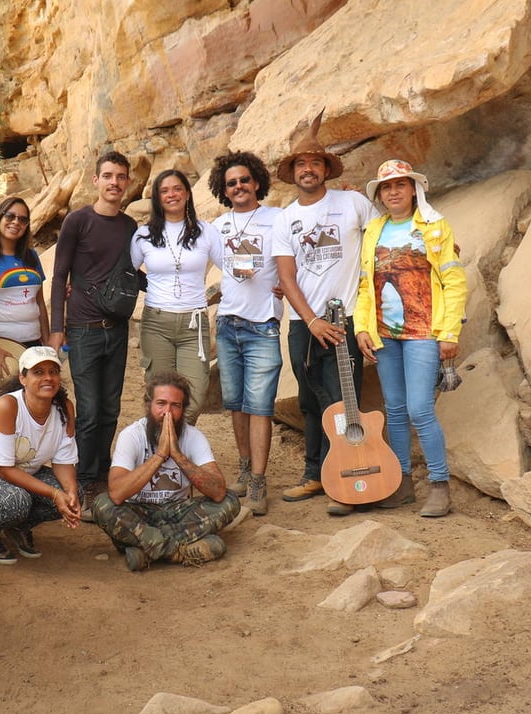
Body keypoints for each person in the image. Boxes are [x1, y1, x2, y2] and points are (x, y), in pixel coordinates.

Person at [271, 108, 379, 516]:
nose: (309, 169)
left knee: (341, 399)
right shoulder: (286, 219)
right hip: (304, 323)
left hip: (347, 319)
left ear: (326, 169)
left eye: (316, 162)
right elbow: (288, 277)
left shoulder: (352, 202)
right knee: (309, 400)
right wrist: (311, 320)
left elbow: (381, 241)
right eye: (301, 164)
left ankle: (350, 475)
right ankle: (315, 472)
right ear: (293, 172)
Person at [355, 159, 467, 518]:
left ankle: (439, 485)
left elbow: (454, 280)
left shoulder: (434, 227)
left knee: (420, 408)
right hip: (386, 334)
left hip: (424, 332)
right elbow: (364, 285)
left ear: (413, 189)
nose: (394, 192)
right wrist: (362, 327)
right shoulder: (374, 230)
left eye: (400, 185)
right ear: (381, 194)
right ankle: (401, 483)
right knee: (396, 411)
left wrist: (449, 332)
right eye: (387, 187)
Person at [48, 151, 138, 494]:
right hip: (83, 331)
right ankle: (84, 481)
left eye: (120, 176)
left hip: (116, 329)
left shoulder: (130, 227)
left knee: (111, 408)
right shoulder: (78, 221)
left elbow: (130, 276)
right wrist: (58, 329)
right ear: (96, 181)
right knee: (87, 410)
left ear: (127, 182)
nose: (114, 182)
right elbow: (59, 277)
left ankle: (102, 473)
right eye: (108, 176)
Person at [90, 371, 241, 571]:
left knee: (230, 500)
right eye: (161, 404)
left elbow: (218, 491)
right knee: (102, 505)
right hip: (140, 513)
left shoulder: (193, 437)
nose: (167, 412)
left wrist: (177, 455)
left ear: (184, 409)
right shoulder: (131, 436)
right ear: (149, 405)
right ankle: (178, 552)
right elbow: (117, 494)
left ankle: (146, 549)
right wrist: (160, 455)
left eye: (175, 405)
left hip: (179, 512)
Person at [0, 346, 82, 564]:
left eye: (53, 371)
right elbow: (4, 469)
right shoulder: (7, 406)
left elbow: (63, 460)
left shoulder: (65, 408)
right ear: (23, 378)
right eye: (38, 372)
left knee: (78, 494)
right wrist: (56, 495)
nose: (48, 378)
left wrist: (70, 492)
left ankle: (18, 526)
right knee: (16, 501)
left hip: (17, 477)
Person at [207, 152, 284, 516]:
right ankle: (242, 466)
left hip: (263, 325)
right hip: (228, 324)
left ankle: (257, 480)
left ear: (256, 182)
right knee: (235, 403)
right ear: (224, 190)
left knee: (260, 406)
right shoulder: (218, 227)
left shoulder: (277, 218)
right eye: (231, 183)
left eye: (244, 180)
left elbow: (294, 260)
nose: (238, 187)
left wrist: (286, 284)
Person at [130, 169, 224, 425]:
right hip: (156, 322)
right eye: (164, 190)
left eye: (177, 188)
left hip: (194, 322)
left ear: (187, 193)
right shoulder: (144, 235)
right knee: (159, 397)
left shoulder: (206, 231)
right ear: (157, 198)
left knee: (193, 398)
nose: (171, 194)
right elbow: (127, 272)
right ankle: (161, 460)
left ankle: (177, 454)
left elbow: (232, 267)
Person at [0, 196, 49, 379]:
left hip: (33, 343)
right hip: (2, 344)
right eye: (10, 216)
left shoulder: (32, 257)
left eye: (23, 219)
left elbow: (40, 303)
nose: (16, 222)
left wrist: (47, 343)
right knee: (1, 401)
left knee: (33, 402)